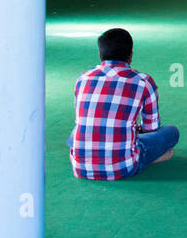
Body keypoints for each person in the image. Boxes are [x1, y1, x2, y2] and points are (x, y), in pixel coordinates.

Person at [68, 27, 179, 180]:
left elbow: (82, 118)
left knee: (76, 132)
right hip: (123, 167)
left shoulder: (83, 78)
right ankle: (148, 158)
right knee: (171, 132)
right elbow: (151, 128)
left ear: (100, 54)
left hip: (80, 167)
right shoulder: (143, 81)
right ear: (130, 56)